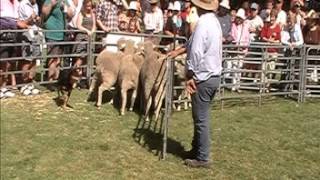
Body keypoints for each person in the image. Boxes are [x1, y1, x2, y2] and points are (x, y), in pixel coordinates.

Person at [184, 0, 221, 168]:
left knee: (201, 118)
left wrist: (191, 73)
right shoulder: (214, 22)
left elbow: (196, 50)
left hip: (203, 76)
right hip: (213, 75)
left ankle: (203, 156)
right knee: (201, 116)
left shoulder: (202, 24)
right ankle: (197, 150)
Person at [42, 0, 73, 90]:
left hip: (62, 34)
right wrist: (52, 4)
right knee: (53, 58)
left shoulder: (65, 1)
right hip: (52, 33)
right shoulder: (50, 0)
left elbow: (71, 14)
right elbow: (44, 13)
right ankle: (50, 81)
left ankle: (56, 80)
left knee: (58, 59)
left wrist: (66, 8)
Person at [18, 0, 43, 95]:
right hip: (26, 33)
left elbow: (35, 20)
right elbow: (21, 22)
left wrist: (37, 19)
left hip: (35, 33)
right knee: (27, 59)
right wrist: (30, 18)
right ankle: (24, 84)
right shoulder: (23, 4)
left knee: (35, 60)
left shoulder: (35, 4)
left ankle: (30, 83)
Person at [260, 9, 282, 92]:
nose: (271, 20)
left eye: (273, 19)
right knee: (263, 68)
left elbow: (279, 40)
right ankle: (262, 86)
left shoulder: (277, 28)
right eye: (271, 18)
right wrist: (268, 40)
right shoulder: (266, 26)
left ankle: (267, 86)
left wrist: (273, 41)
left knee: (270, 69)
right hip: (266, 50)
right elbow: (262, 36)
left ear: (276, 18)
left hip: (273, 51)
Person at [229, 8, 250, 93]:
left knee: (239, 67)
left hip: (242, 49)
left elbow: (247, 39)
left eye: (240, 19)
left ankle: (238, 85)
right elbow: (232, 35)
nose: (239, 20)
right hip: (234, 48)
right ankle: (234, 85)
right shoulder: (232, 26)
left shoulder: (245, 27)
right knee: (234, 67)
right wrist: (234, 44)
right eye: (238, 18)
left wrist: (244, 46)